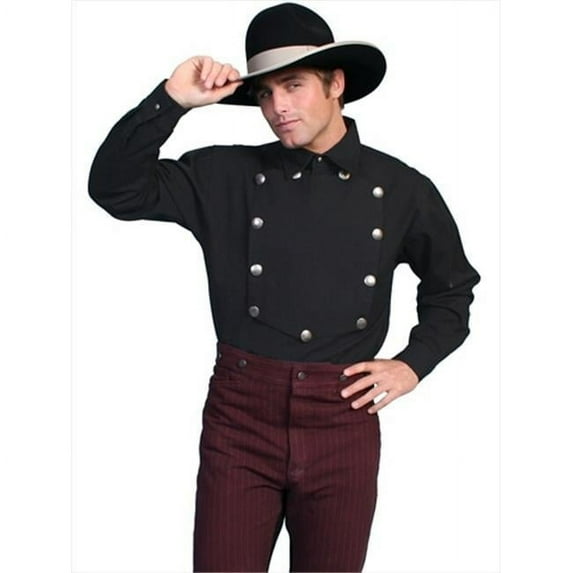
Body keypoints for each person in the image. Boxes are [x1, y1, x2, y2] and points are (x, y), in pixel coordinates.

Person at [88, 2, 480, 571]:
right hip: (240, 417)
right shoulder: (224, 175)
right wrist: (172, 100)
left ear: (336, 83)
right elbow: (114, 188)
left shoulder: (402, 188)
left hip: (343, 418)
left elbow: (451, 289)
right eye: (266, 93)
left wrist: (412, 363)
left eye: (294, 86)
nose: (278, 108)